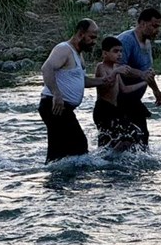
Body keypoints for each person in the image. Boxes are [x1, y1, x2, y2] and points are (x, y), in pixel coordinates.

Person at [38, 19, 112, 163]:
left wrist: (103, 81)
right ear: (80, 34)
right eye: (92, 37)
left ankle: (59, 179)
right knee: (78, 146)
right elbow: (46, 68)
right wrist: (57, 94)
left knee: (64, 150)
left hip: (63, 107)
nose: (94, 41)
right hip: (54, 105)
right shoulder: (64, 49)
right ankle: (57, 179)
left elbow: (81, 81)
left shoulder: (78, 54)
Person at [117, 7, 161, 147]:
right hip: (119, 101)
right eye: (154, 26)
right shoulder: (126, 40)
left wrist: (156, 90)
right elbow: (117, 68)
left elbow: (147, 71)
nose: (157, 30)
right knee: (125, 140)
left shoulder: (147, 43)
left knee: (143, 137)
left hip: (134, 100)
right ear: (142, 23)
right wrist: (141, 74)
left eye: (159, 26)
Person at [93, 36, 148, 152]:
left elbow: (124, 89)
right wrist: (116, 71)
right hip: (103, 109)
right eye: (115, 51)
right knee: (125, 136)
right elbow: (105, 83)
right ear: (105, 53)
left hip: (113, 109)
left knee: (133, 134)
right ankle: (108, 159)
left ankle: (112, 158)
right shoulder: (101, 67)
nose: (119, 54)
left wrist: (144, 82)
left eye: (121, 51)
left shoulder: (115, 67)